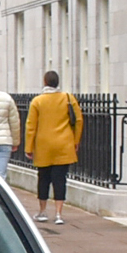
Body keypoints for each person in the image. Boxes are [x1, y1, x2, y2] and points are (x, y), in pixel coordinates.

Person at [23, 69, 81, 226]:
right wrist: (75, 141)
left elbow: (31, 126)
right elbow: (79, 120)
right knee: (60, 179)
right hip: (64, 144)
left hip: (43, 145)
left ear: (44, 82)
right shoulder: (68, 98)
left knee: (43, 179)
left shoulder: (37, 101)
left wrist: (29, 146)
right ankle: (58, 214)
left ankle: (42, 212)